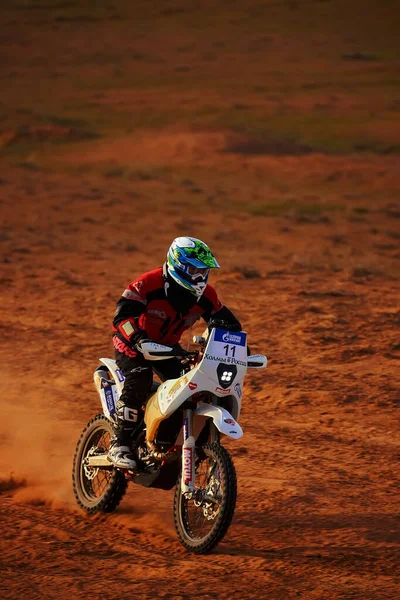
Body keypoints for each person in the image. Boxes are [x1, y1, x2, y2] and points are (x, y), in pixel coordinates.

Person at [108, 236, 242, 469]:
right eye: (193, 269)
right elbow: (123, 317)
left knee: (189, 385)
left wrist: (241, 348)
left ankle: (165, 439)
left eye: (203, 271)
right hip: (131, 343)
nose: (200, 277)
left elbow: (228, 325)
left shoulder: (206, 295)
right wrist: (138, 339)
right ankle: (118, 444)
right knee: (139, 376)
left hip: (168, 348)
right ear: (177, 264)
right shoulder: (147, 284)